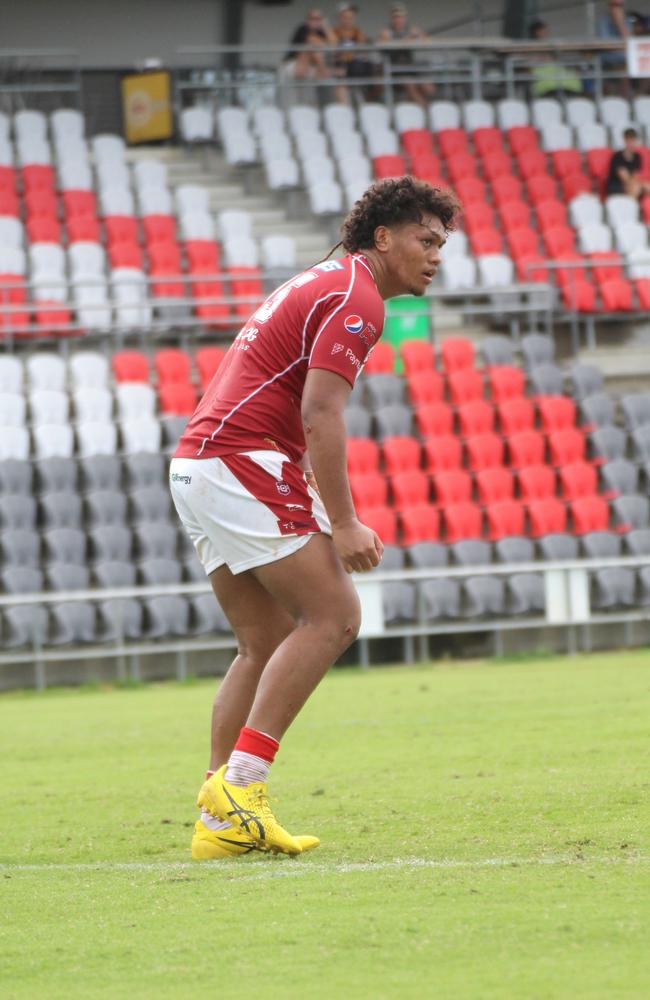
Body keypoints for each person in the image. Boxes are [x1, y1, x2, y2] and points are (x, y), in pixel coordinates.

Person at [169, 176, 459, 859]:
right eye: (426, 239)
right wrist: (346, 519)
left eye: (443, 243)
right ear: (383, 237)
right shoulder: (357, 298)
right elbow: (320, 410)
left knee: (263, 640)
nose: (436, 255)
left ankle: (220, 820)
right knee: (336, 616)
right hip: (240, 462)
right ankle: (243, 786)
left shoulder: (328, 279)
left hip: (200, 463)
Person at [377, 3, 434, 107]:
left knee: (428, 87)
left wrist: (418, 37)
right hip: (394, 68)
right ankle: (427, 112)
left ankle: (425, 108)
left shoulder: (412, 29)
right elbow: (383, 43)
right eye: (396, 17)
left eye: (401, 17)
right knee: (410, 85)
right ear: (391, 19)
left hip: (410, 66)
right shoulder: (387, 32)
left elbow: (427, 40)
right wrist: (404, 41)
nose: (399, 20)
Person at [332, 3, 377, 104]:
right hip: (339, 68)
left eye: (351, 17)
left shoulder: (357, 31)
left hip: (356, 68)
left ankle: (368, 104)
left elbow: (364, 50)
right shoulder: (334, 31)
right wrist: (348, 54)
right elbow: (335, 54)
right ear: (339, 17)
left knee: (374, 70)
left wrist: (351, 54)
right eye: (345, 17)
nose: (349, 20)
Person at [528, 19, 583, 99]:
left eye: (546, 30)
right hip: (547, 85)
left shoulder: (552, 44)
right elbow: (530, 66)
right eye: (543, 30)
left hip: (566, 84)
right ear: (536, 32)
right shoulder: (529, 48)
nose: (546, 32)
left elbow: (562, 59)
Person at [283, 8, 338, 84]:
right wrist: (326, 45)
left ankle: (324, 74)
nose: (315, 21)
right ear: (307, 20)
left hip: (312, 67)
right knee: (312, 49)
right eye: (313, 18)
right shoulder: (302, 28)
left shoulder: (322, 30)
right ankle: (325, 73)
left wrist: (326, 26)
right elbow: (313, 41)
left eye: (319, 19)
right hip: (294, 65)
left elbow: (335, 45)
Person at [597, 0, 632, 94]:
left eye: (619, 5)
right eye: (614, 5)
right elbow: (606, 44)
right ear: (609, 6)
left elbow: (630, 42)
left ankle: (640, 96)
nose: (616, 8)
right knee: (623, 70)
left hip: (625, 58)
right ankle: (627, 100)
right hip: (608, 59)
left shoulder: (627, 20)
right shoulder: (603, 21)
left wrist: (620, 24)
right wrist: (622, 48)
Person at [605, 126, 650, 197]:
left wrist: (642, 184)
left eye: (633, 140)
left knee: (647, 186)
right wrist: (638, 185)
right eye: (629, 141)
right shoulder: (617, 156)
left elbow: (636, 175)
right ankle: (632, 207)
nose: (631, 144)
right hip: (616, 185)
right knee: (636, 188)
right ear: (625, 141)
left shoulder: (637, 156)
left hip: (632, 183)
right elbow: (624, 178)